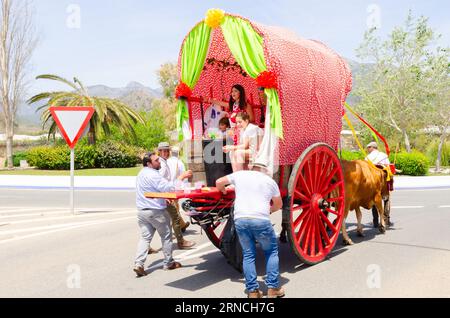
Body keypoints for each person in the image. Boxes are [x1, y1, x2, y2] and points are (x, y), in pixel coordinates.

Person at [216, 162, 285, 298]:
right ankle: (273, 288)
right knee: (271, 252)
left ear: (251, 168)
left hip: (240, 219)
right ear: (265, 170)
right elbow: (278, 204)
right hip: (260, 219)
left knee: (248, 254)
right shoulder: (269, 181)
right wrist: (269, 210)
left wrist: (223, 190)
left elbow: (219, 182)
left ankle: (253, 291)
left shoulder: (240, 175)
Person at [133, 152, 193, 277]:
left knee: (145, 238)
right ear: (149, 164)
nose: (159, 162)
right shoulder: (154, 175)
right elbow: (169, 188)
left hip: (142, 211)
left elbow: (154, 190)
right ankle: (169, 262)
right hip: (155, 211)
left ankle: (138, 263)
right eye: (156, 161)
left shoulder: (141, 173)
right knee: (166, 236)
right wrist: (181, 177)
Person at [158, 142, 195, 249]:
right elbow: (161, 181)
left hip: (169, 191)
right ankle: (179, 241)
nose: (165, 153)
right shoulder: (166, 164)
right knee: (174, 216)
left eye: (167, 151)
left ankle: (147, 245)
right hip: (168, 193)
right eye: (163, 151)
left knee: (171, 216)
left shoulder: (164, 162)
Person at [365, 141, 391, 228]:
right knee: (386, 199)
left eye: (368, 148)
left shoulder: (367, 157)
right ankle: (386, 220)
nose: (367, 149)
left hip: (372, 181)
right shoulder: (383, 155)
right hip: (383, 180)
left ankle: (375, 221)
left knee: (374, 199)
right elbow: (388, 166)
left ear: (372, 147)